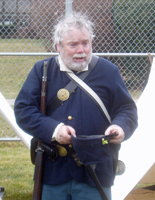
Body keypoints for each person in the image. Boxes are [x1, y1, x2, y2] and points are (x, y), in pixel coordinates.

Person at [14, 12, 138, 200]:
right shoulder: (42, 70)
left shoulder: (109, 71)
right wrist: (55, 130)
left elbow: (127, 110)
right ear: (58, 46)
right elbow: (24, 110)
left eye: (85, 43)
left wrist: (120, 127)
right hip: (53, 170)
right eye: (73, 44)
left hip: (96, 171)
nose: (81, 50)